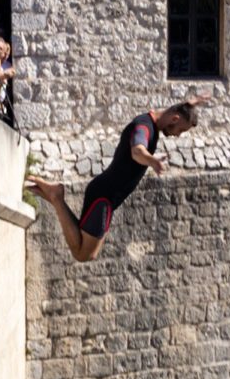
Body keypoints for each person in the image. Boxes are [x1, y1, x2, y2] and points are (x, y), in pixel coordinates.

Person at [28, 100, 208, 263]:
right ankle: (56, 196)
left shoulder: (152, 121)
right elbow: (137, 151)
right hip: (104, 198)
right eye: (181, 131)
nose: (178, 135)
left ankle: (55, 197)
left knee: (87, 251)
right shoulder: (144, 126)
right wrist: (153, 161)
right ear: (175, 119)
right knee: (84, 254)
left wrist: (193, 101)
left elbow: (177, 110)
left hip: (105, 195)